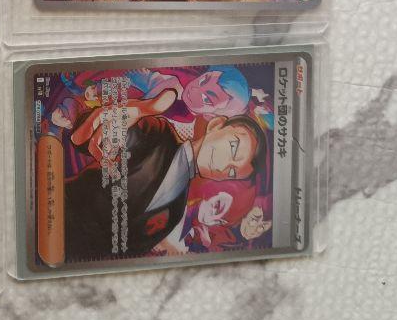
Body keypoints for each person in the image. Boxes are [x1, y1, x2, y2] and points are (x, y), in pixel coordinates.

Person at [63, 111, 266, 260]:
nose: (222, 166)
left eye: (232, 172)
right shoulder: (157, 134)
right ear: (216, 125)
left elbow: (119, 254)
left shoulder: (176, 212)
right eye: (232, 147)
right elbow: (92, 136)